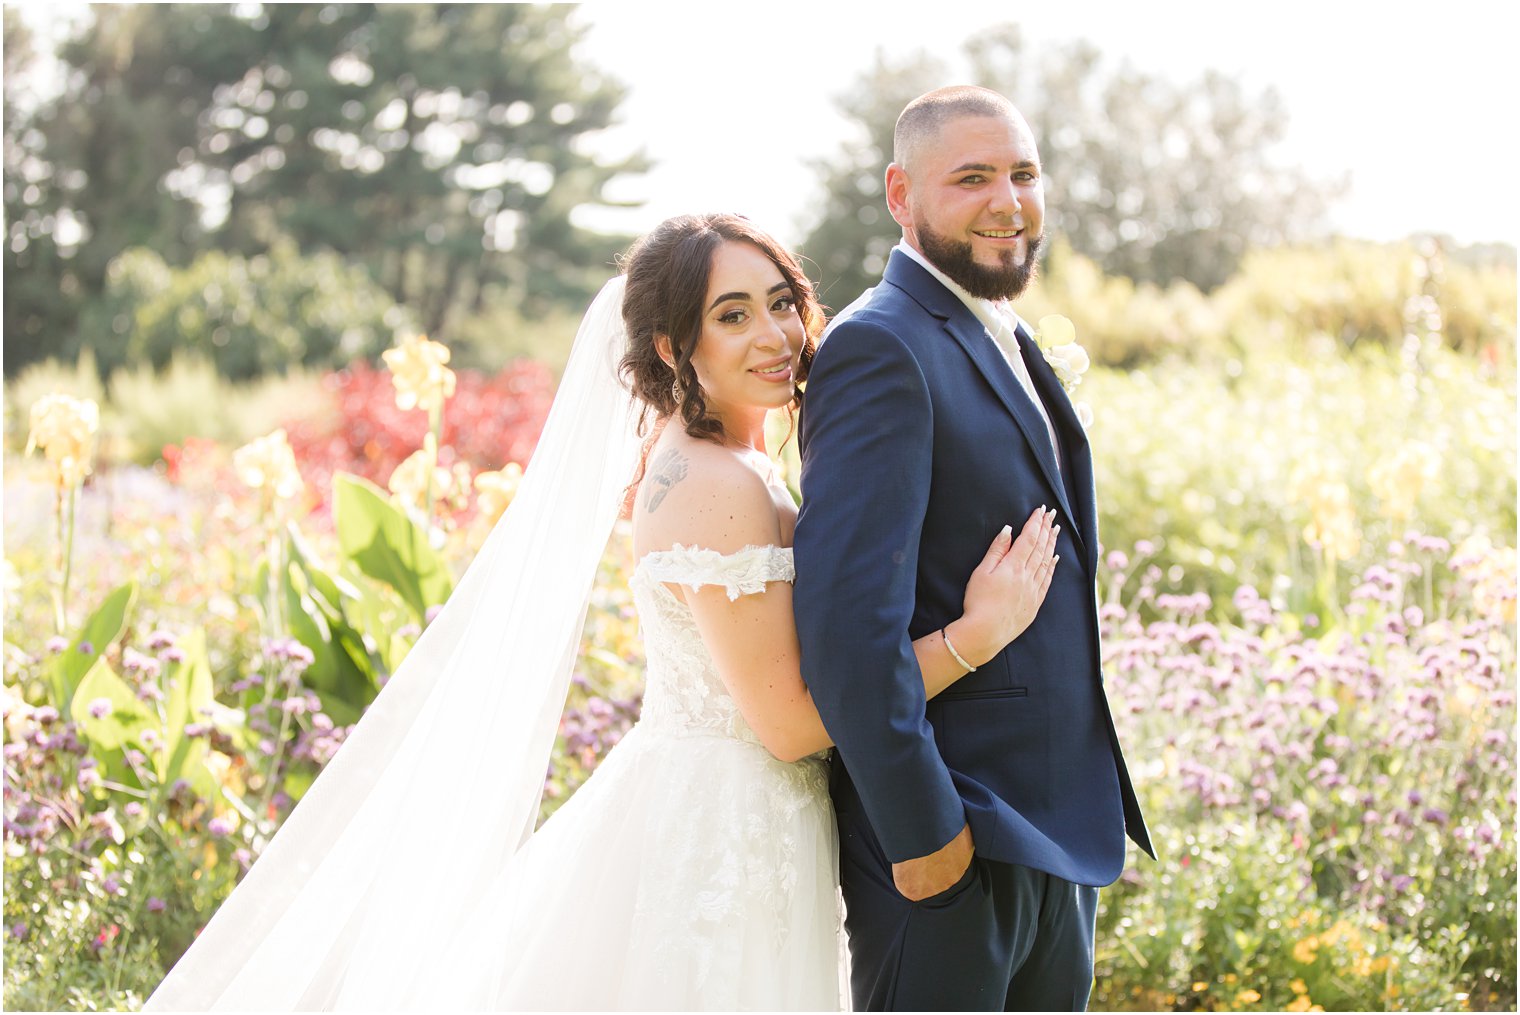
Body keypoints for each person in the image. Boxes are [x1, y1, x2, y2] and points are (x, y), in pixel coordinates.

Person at [146, 213, 1060, 1010]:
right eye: (731, 315)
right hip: (722, 832)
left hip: (747, 815)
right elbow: (786, 725)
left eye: (782, 301)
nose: (777, 333)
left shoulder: (728, 460)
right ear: (672, 348)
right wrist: (972, 638)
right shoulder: (711, 482)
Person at [793, 86, 1157, 1012]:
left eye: (1023, 173)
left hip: (1047, 841)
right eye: (972, 177)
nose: (1008, 200)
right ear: (900, 192)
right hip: (950, 844)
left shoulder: (1009, 335)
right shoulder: (881, 348)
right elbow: (847, 636)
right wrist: (926, 842)